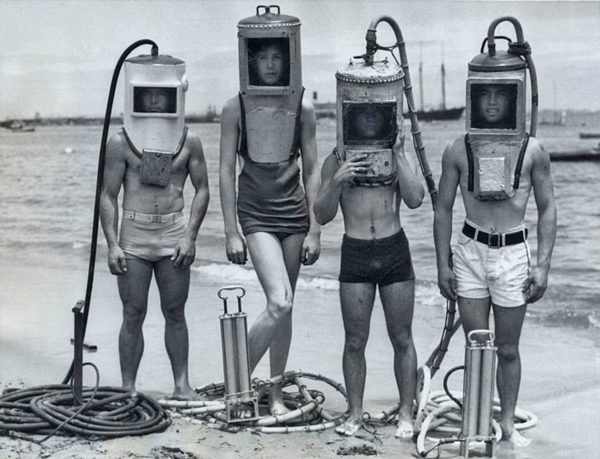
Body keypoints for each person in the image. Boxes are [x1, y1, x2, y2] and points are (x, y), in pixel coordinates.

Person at [434, 87, 557, 447]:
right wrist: (443, 264)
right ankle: (477, 422)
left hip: (512, 252)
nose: (491, 102)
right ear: (472, 97)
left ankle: (506, 424)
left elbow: (547, 207)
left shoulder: (533, 149)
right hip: (471, 251)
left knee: (507, 347)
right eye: (483, 94)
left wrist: (544, 266)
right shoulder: (457, 148)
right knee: (478, 344)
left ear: (512, 98)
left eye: (499, 95)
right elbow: (443, 208)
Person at [220, 19, 321, 416]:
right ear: (251, 60)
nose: (273, 64)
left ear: (290, 58)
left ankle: (275, 393)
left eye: (280, 56)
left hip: (294, 211)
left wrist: (315, 229)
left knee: (287, 305)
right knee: (278, 302)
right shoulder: (236, 106)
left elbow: (312, 170)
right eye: (265, 57)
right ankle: (237, 383)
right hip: (256, 212)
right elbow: (226, 170)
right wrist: (231, 231)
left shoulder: (303, 105)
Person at [100, 55, 209, 399]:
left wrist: (190, 236)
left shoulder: (189, 140)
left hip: (173, 233)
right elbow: (107, 195)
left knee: (175, 311)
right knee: (133, 312)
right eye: (148, 94)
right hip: (133, 235)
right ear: (137, 95)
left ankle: (181, 385)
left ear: (176, 94)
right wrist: (113, 244)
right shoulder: (120, 142)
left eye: (163, 95)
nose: (155, 101)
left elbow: (203, 189)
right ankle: (128, 388)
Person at [314, 130, 424, 438]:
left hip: (394, 248)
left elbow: (416, 199)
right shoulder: (335, 159)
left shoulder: (395, 154)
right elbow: (322, 215)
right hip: (356, 250)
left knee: (402, 337)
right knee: (354, 340)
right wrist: (337, 180)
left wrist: (400, 153)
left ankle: (405, 412)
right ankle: (355, 413)